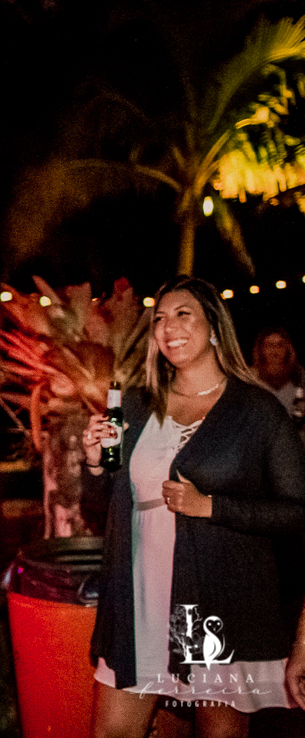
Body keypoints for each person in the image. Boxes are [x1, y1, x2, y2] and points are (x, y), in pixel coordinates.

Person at [82, 275, 305, 738]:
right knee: (113, 732)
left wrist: (213, 507)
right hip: (140, 599)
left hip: (211, 607)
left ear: (214, 327)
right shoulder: (138, 405)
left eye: (184, 314)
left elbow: (295, 513)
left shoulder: (256, 412)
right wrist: (96, 465)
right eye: (160, 318)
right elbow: (109, 502)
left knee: (216, 732)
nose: (169, 327)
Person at [251, 326, 305, 417]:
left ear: (287, 349)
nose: (274, 351)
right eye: (269, 345)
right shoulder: (250, 378)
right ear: (260, 350)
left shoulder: (299, 375)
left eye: (280, 345)